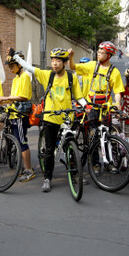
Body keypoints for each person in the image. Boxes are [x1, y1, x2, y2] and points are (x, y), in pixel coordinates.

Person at [13, 47, 87, 193]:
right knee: (49, 149)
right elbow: (29, 68)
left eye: (58, 61)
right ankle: (47, 178)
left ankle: (75, 174)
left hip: (67, 118)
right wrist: (17, 58)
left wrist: (86, 106)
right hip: (50, 117)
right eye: (53, 60)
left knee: (71, 147)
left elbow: (79, 97)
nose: (54, 64)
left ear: (65, 63)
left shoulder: (71, 78)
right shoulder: (48, 75)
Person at [0, 52, 35, 182]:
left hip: (20, 114)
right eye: (9, 66)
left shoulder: (25, 77)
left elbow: (22, 97)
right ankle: (22, 167)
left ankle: (29, 170)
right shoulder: (16, 78)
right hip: (13, 113)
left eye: (12, 65)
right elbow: (13, 99)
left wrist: (5, 98)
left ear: (19, 64)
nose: (10, 68)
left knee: (22, 142)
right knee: (16, 141)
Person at [69, 41, 124, 110]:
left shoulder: (115, 72)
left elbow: (117, 92)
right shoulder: (92, 65)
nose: (98, 54)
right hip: (90, 105)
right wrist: (71, 57)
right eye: (98, 52)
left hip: (106, 107)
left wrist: (117, 103)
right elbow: (73, 67)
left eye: (101, 52)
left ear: (108, 55)